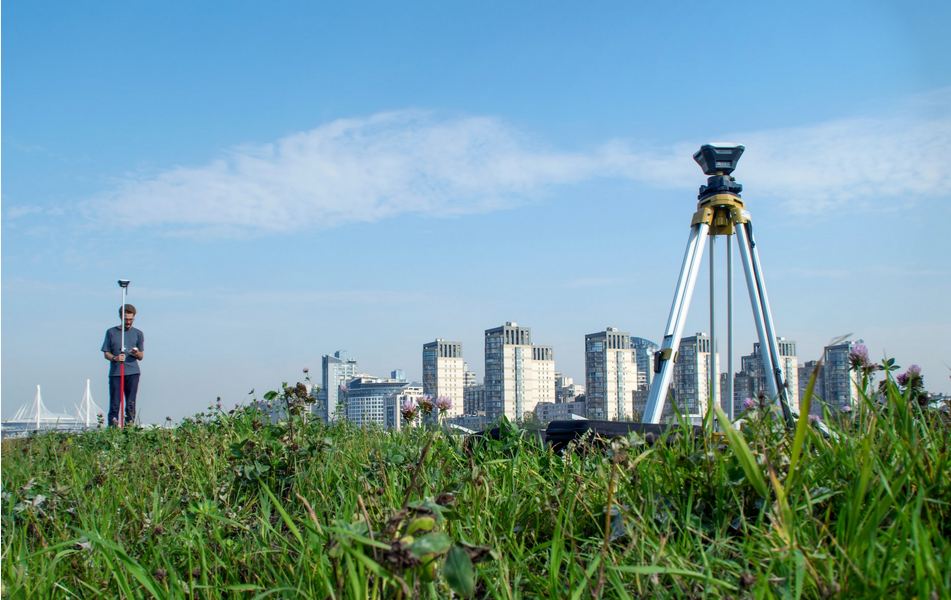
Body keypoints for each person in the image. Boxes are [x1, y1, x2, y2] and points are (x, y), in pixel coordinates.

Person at [101, 304, 145, 427]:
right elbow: (106, 353)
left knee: (130, 403)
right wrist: (115, 358)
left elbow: (141, 357)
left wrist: (137, 353)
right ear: (121, 317)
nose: (128, 322)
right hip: (116, 372)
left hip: (133, 372)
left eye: (131, 320)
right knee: (115, 403)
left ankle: (129, 427)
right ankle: (113, 428)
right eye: (126, 319)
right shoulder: (111, 332)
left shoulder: (138, 333)